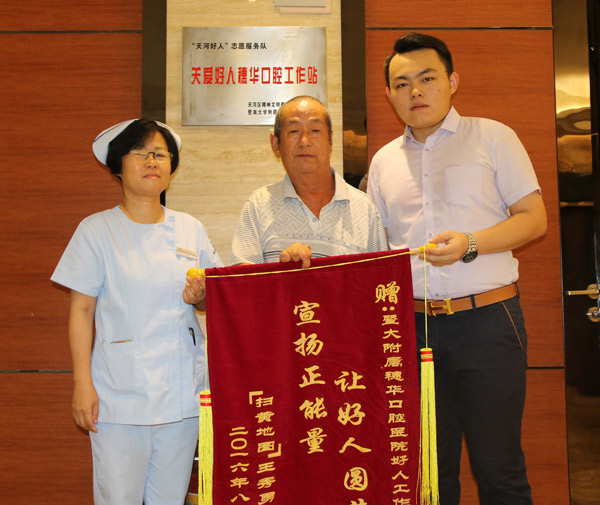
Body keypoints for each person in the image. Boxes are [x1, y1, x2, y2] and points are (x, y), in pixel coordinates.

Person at [367, 33, 547, 505]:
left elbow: (534, 220)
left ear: (452, 81)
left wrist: (471, 243)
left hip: (487, 322)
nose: (415, 91)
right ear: (389, 94)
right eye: (402, 84)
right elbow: (378, 251)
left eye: (427, 78)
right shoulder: (383, 162)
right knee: (429, 472)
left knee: (499, 468)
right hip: (413, 329)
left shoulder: (493, 137)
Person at [51, 119, 223, 505]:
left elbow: (213, 300)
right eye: (140, 153)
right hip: (118, 395)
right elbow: (81, 311)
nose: (151, 161)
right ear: (118, 166)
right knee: (117, 498)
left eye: (160, 154)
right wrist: (82, 384)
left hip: (181, 393)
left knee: (170, 498)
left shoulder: (190, 229)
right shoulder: (96, 230)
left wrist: (200, 297)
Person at [231, 95, 388, 267]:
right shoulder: (258, 205)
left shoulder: (365, 209)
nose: (304, 141)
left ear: (330, 141)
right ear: (276, 144)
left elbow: (381, 276)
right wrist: (284, 270)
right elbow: (240, 279)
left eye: (315, 130)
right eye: (294, 131)